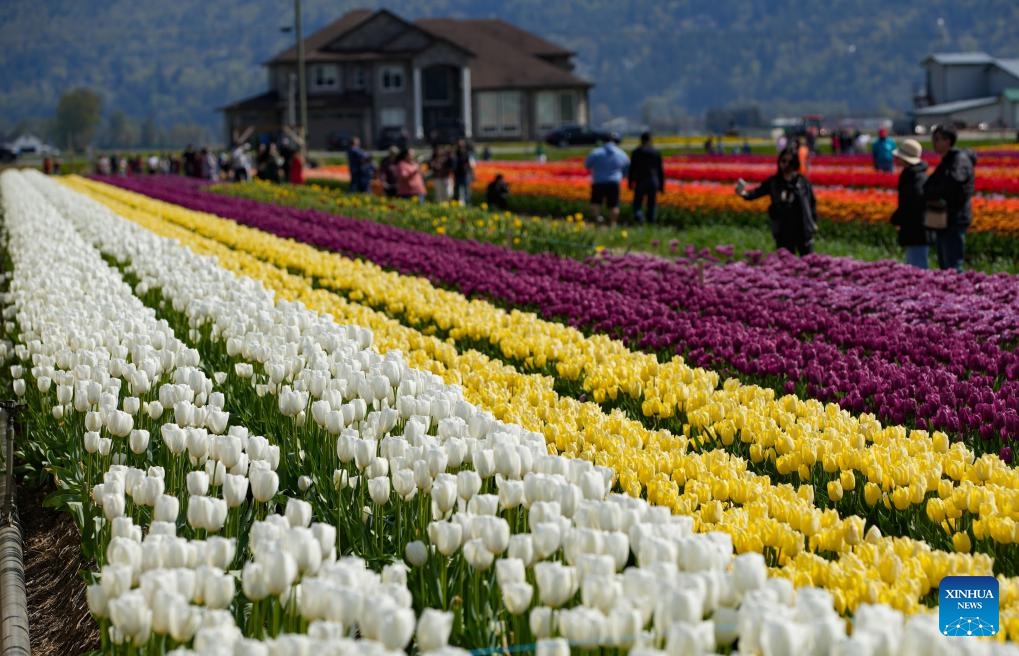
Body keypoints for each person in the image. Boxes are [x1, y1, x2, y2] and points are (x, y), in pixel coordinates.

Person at [735, 146, 818, 256]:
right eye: (783, 161)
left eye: (790, 162)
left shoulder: (802, 182)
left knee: (809, 261)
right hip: (783, 229)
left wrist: (814, 222)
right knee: (786, 262)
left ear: (795, 163)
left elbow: (812, 203)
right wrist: (742, 193)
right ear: (779, 162)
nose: (786, 165)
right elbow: (756, 193)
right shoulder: (774, 182)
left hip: (802, 228)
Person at [923, 125, 976, 271]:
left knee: (953, 264)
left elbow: (953, 184)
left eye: (937, 139)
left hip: (955, 217)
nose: (934, 143)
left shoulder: (959, 160)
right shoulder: (947, 160)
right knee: (945, 264)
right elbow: (929, 185)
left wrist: (935, 192)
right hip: (944, 219)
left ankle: (958, 292)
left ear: (948, 141)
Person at [889, 139, 930, 269]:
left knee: (917, 264)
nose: (896, 159)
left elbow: (913, 203)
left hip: (917, 228)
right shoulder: (912, 174)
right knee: (913, 261)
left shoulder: (916, 177)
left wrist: (898, 216)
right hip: (913, 227)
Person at [584, 133, 629, 227]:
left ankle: (598, 220)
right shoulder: (620, 153)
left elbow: (587, 165)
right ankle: (613, 223)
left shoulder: (596, 152)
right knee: (614, 205)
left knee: (595, 203)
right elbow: (627, 166)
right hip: (614, 182)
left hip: (598, 182)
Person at [628, 131, 664, 224]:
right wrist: (661, 186)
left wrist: (630, 182)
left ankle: (639, 218)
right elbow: (660, 170)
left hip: (640, 180)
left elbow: (632, 168)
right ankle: (651, 223)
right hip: (653, 180)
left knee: (637, 203)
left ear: (641, 140)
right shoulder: (655, 152)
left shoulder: (636, 152)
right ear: (650, 140)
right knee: (652, 204)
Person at [452, 139, 476, 205]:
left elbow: (472, 165)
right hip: (457, 174)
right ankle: (456, 203)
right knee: (456, 190)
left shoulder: (468, 153)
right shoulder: (456, 153)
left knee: (466, 191)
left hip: (465, 174)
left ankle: (467, 204)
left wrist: (473, 174)